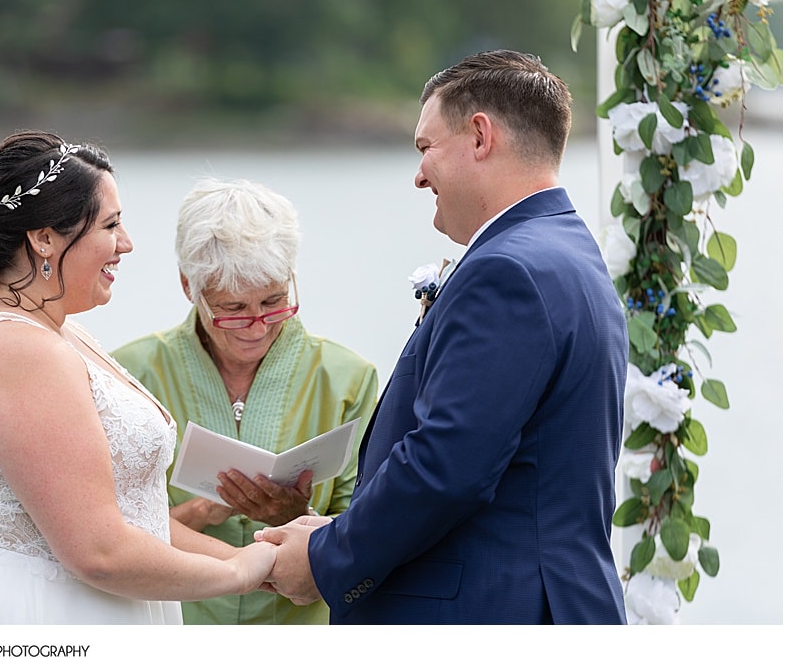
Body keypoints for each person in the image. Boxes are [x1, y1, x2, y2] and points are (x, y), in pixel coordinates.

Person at [0, 131, 275, 625]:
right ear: (43, 238)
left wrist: (252, 557)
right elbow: (99, 551)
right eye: (111, 225)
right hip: (33, 617)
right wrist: (239, 577)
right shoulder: (19, 351)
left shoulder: (52, 331)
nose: (126, 244)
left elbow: (134, 517)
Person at [257, 50, 629, 624]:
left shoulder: (509, 272)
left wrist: (327, 557)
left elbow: (447, 467)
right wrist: (341, 526)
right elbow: (513, 477)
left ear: (480, 136)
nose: (419, 174)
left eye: (425, 147)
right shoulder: (567, 253)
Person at [111, 177, 379, 624]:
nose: (256, 326)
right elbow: (107, 526)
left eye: (274, 302)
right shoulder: (131, 374)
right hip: (173, 623)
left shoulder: (348, 378)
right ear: (188, 287)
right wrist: (200, 509)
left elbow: (371, 528)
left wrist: (301, 515)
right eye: (233, 309)